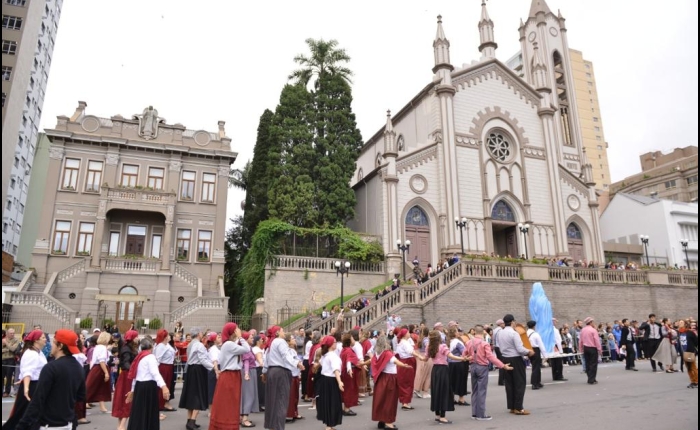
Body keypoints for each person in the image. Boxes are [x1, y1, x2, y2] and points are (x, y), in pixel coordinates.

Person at [14, 329, 85, 430]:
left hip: (49, 424)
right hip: (68, 422)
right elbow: (81, 396)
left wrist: (22, 425)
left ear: (60, 346)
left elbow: (38, 400)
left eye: (54, 342)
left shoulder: (51, 368)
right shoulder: (79, 367)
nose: (51, 345)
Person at [464, 325, 513, 421]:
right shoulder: (484, 344)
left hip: (473, 366)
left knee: (475, 391)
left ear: (474, 332)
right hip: (482, 367)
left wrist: (469, 357)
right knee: (482, 391)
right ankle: (481, 414)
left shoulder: (469, 342)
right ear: (483, 332)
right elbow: (491, 357)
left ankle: (474, 413)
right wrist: (502, 365)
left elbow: (464, 354)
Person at [3, 329, 47, 430]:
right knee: (22, 414)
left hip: (35, 384)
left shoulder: (39, 352)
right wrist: (26, 388)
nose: (45, 340)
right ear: (36, 340)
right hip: (31, 386)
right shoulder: (31, 353)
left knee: (26, 413)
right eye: (43, 338)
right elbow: (28, 371)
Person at [210, 323, 250, 430]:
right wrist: (241, 336)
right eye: (236, 329)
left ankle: (227, 425)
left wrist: (239, 338)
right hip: (230, 376)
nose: (238, 330)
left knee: (231, 403)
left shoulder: (229, 344)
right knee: (229, 404)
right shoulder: (228, 345)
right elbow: (247, 349)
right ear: (232, 332)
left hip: (231, 375)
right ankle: (227, 426)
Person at [262, 325, 303, 430]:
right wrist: (297, 363)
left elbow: (266, 361)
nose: (284, 333)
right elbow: (286, 355)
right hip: (281, 372)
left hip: (272, 372)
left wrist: (264, 373)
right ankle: (278, 427)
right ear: (277, 333)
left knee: (272, 402)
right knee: (281, 401)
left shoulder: (270, 344)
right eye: (282, 330)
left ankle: (272, 426)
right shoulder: (280, 341)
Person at [125, 337, 170, 430]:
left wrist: (133, 390)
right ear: (151, 347)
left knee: (138, 412)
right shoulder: (150, 357)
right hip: (148, 387)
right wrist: (164, 386)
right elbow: (155, 373)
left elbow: (135, 376)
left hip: (139, 386)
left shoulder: (139, 357)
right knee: (149, 412)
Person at [371, 334, 411, 430]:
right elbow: (395, 361)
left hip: (381, 378)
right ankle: (388, 422)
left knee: (381, 400)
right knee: (390, 401)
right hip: (390, 378)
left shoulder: (377, 353)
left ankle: (381, 420)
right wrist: (404, 365)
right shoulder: (387, 353)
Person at [178, 327, 214, 430]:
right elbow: (202, 359)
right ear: (198, 334)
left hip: (190, 369)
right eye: (201, 332)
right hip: (197, 370)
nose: (202, 334)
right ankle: (192, 421)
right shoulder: (199, 345)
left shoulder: (190, 344)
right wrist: (213, 367)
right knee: (198, 394)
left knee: (190, 395)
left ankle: (189, 421)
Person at [499, 314, 534, 416]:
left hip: (505, 358)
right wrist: (529, 352)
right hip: (515, 359)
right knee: (519, 383)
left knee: (509, 384)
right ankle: (519, 407)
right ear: (513, 322)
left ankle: (512, 406)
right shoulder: (514, 333)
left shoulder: (500, 333)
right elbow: (520, 349)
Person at [428, 329, 465, 424]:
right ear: (439, 338)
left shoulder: (430, 347)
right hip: (443, 370)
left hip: (435, 370)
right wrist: (462, 358)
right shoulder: (442, 346)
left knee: (436, 391)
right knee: (444, 392)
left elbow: (424, 358)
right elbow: (451, 356)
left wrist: (416, 355)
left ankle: (437, 415)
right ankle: (443, 417)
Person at [112, 329, 139, 430]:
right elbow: (126, 363)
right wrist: (134, 370)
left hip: (126, 375)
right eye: (136, 336)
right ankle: (122, 425)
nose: (137, 338)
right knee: (127, 400)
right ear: (132, 338)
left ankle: (120, 425)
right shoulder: (127, 349)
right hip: (127, 376)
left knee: (123, 399)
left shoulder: (126, 347)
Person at [316, 335, 344, 430]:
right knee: (333, 402)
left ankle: (329, 424)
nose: (336, 343)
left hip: (325, 380)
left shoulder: (326, 355)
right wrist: (339, 381)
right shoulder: (332, 356)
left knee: (327, 402)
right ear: (331, 345)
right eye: (335, 342)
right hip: (331, 381)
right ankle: (329, 425)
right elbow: (336, 369)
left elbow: (319, 364)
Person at [85, 331, 112, 413]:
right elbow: (101, 361)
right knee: (91, 387)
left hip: (96, 367)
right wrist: (106, 372)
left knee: (100, 387)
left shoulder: (98, 347)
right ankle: (81, 407)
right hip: (99, 368)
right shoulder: (102, 348)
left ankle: (102, 407)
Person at [154, 329, 177, 411]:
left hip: (169, 366)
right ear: (164, 337)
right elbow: (158, 359)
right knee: (163, 385)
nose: (169, 336)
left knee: (168, 384)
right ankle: (160, 404)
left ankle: (164, 402)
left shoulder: (166, 345)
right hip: (164, 367)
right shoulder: (161, 346)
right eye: (167, 335)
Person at [240, 332, 260, 428]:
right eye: (251, 337)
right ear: (246, 339)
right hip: (249, 372)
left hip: (249, 372)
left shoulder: (248, 348)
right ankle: (245, 419)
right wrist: (247, 373)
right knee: (249, 395)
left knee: (246, 395)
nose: (253, 339)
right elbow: (246, 362)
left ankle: (242, 417)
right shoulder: (247, 350)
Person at [339, 333, 361, 416]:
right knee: (349, 391)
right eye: (352, 339)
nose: (353, 340)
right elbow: (349, 361)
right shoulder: (348, 350)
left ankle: (345, 408)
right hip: (349, 373)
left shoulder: (344, 349)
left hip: (345, 372)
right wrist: (349, 370)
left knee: (346, 391)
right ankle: (347, 409)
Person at [579, 317, 602, 384]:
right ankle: (592, 379)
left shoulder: (583, 330)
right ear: (591, 322)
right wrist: (599, 349)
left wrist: (581, 349)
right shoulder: (593, 330)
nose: (594, 323)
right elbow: (596, 340)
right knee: (593, 364)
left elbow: (580, 340)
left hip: (585, 348)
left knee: (588, 363)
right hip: (592, 348)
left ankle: (590, 377)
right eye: (593, 322)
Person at [678, 320, 698, 388]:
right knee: (688, 368)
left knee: (693, 367)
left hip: (690, 352)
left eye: (681, 322)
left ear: (685, 324)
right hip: (684, 352)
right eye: (679, 322)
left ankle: (696, 381)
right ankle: (692, 381)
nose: (679, 324)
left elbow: (696, 342)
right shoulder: (679, 332)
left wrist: (693, 350)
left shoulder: (690, 332)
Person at [413, 326, 432, 399]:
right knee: (427, 375)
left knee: (420, 373)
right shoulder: (426, 339)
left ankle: (417, 388)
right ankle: (425, 391)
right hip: (426, 357)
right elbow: (427, 346)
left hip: (420, 356)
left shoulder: (420, 339)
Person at [526, 321, 545, 389]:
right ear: (534, 326)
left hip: (529, 350)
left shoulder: (526, 333)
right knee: (536, 368)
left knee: (535, 366)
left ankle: (538, 382)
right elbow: (541, 345)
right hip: (536, 350)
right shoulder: (535, 334)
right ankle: (534, 383)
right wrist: (545, 355)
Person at [2, 328, 21, 398]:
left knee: (9, 377)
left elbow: (13, 349)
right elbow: (10, 348)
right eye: (11, 333)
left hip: (10, 360)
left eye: (13, 333)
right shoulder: (3, 339)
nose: (12, 334)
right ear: (7, 333)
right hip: (3, 359)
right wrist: (7, 349)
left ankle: (7, 391)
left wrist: (6, 343)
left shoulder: (16, 340)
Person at [492, 319, 506, 386]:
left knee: (500, 363)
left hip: (496, 347)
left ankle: (501, 380)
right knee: (502, 364)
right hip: (500, 347)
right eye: (503, 323)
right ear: (500, 324)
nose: (504, 324)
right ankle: (502, 380)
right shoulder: (500, 331)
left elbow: (493, 340)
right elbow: (501, 340)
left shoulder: (494, 330)